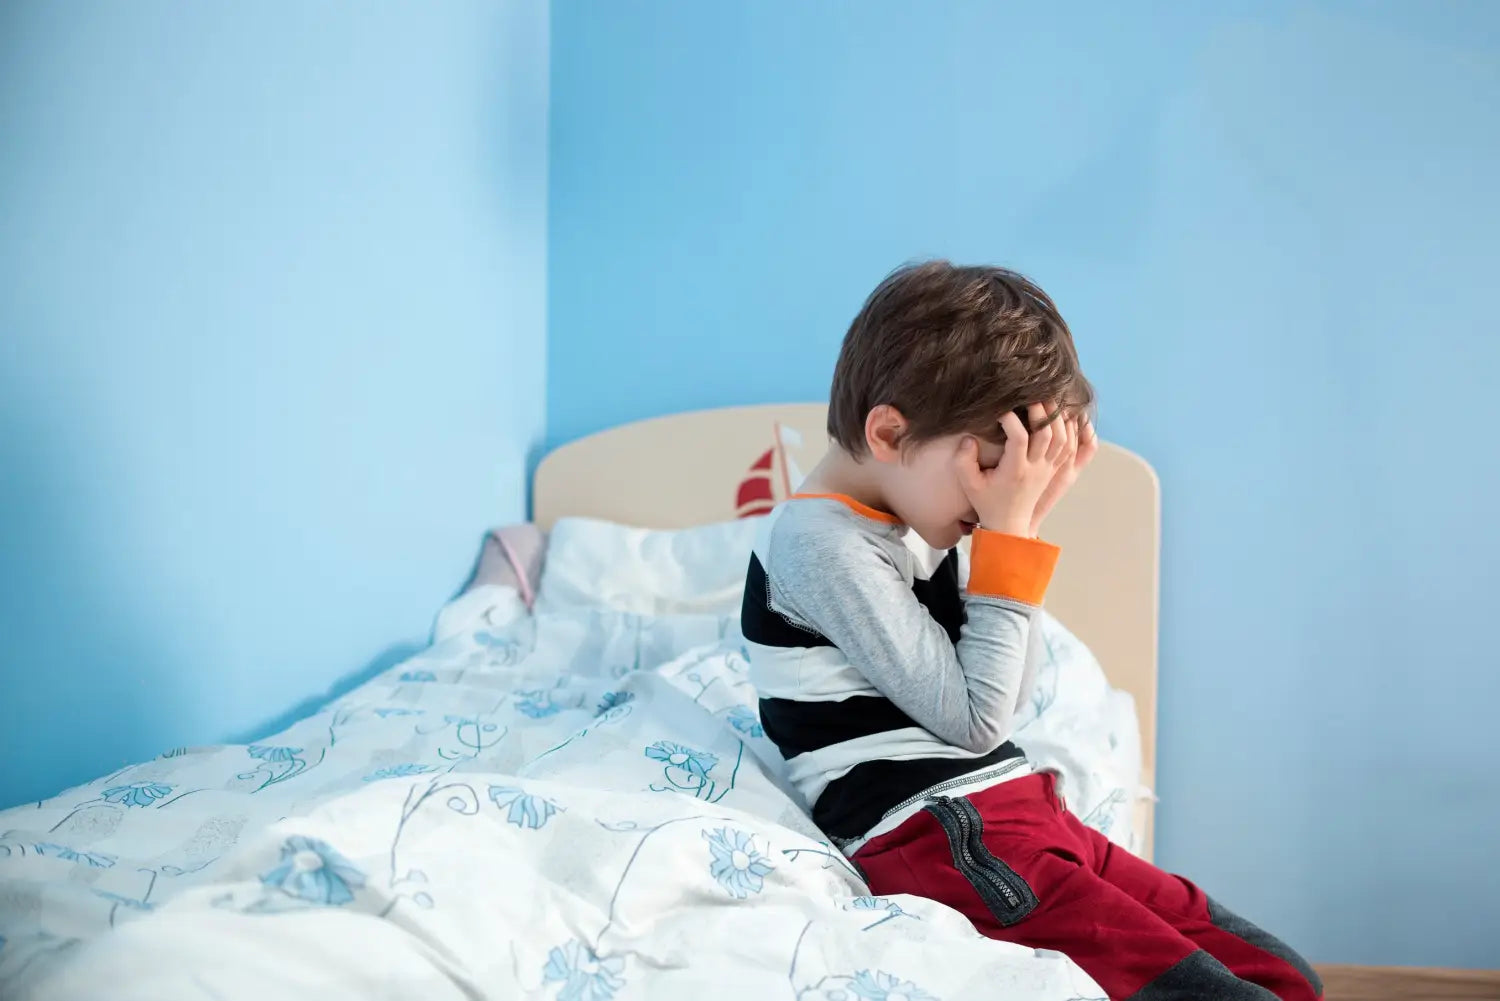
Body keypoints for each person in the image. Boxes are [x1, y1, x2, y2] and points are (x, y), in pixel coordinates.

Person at [740, 261, 1321, 1001]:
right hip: (936, 830)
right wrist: (1011, 535)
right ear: (888, 432)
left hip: (1015, 805)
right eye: (987, 469)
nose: (993, 499)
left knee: (1283, 976)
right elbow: (977, 718)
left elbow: (1007, 695)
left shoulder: (915, 517)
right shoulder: (818, 543)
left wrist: (1023, 523)